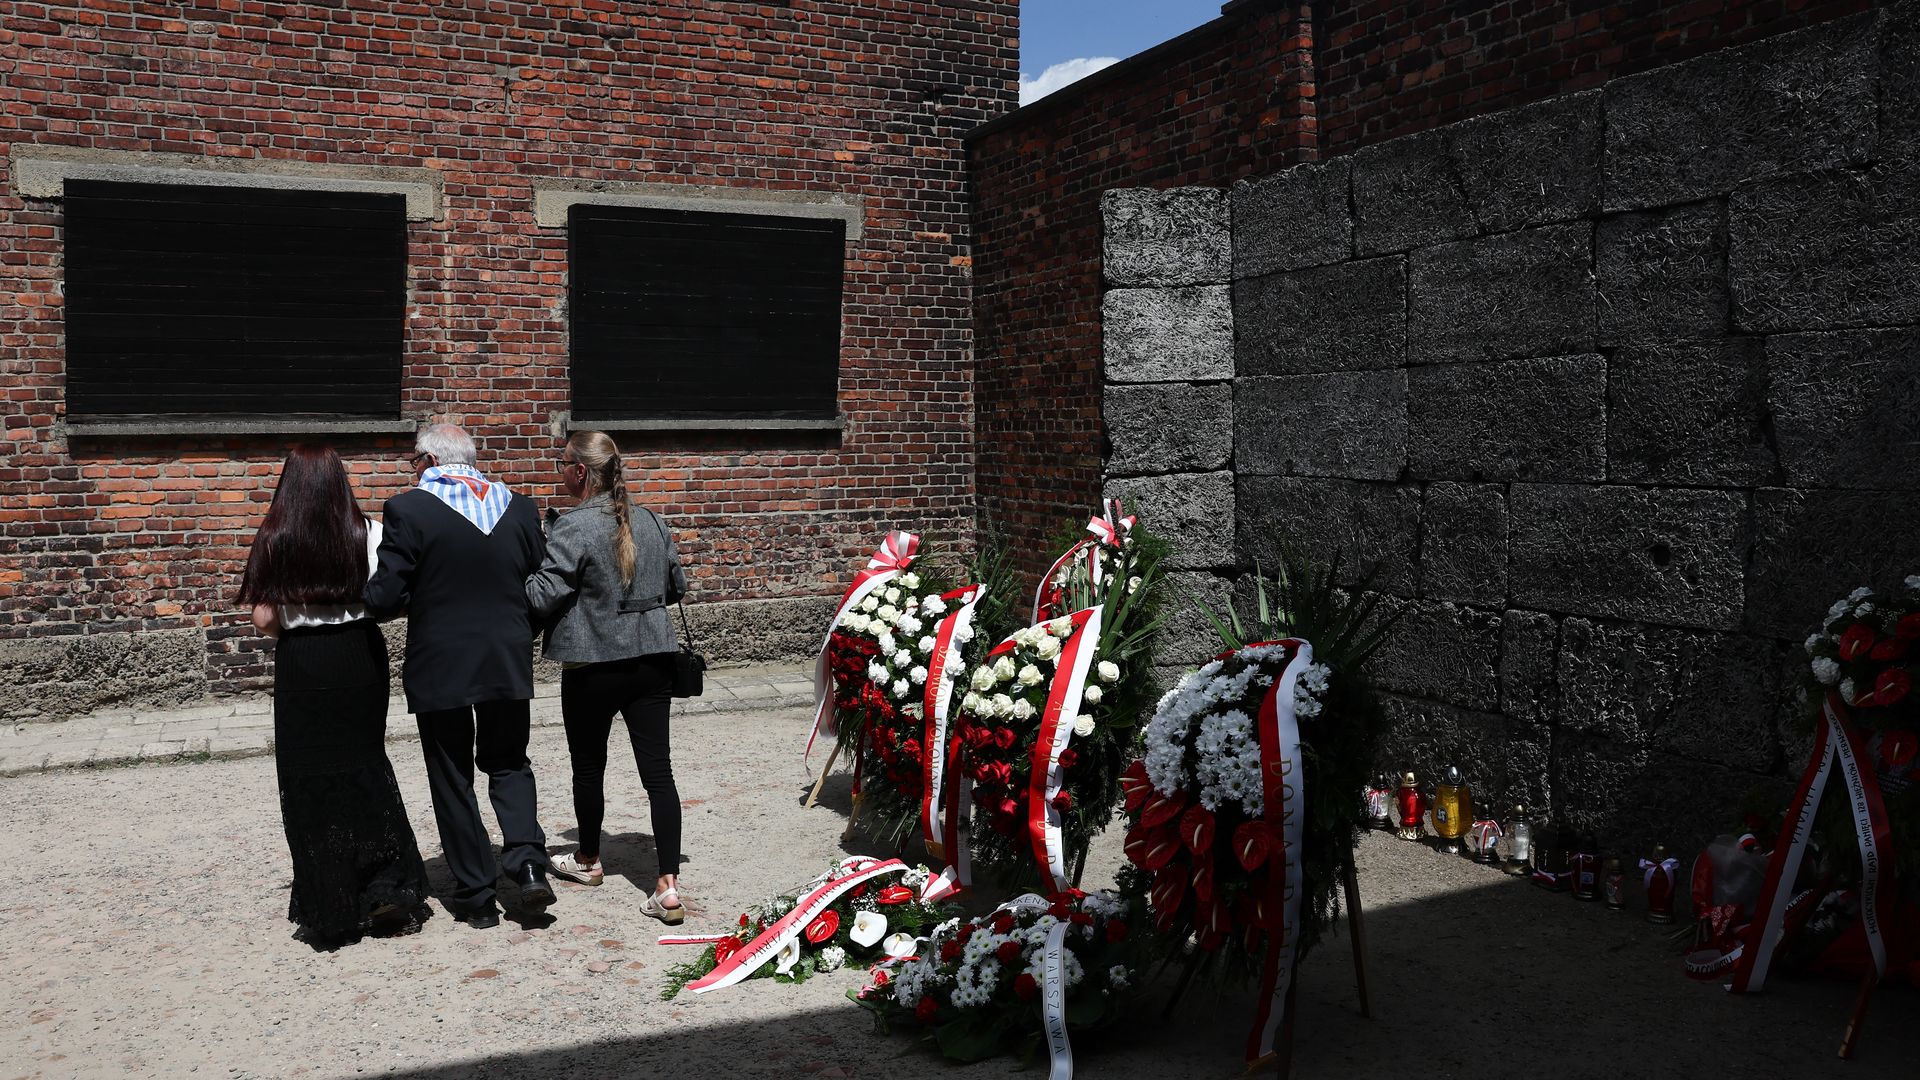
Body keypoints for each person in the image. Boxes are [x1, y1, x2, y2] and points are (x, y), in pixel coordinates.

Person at [238, 446, 431, 950]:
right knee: (365, 766)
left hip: (303, 662)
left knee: (309, 778)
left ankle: (330, 899)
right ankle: (385, 882)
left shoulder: (276, 536)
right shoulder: (368, 532)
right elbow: (391, 593)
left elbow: (263, 620)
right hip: (359, 656)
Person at [364, 421, 553, 929]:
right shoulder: (519, 507)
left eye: (412, 461)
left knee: (452, 775)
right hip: (505, 653)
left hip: (440, 659)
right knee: (510, 761)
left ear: (428, 460)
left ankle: (476, 892)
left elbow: (384, 596)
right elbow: (540, 581)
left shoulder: (408, 509)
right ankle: (530, 863)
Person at [526, 430, 689, 925]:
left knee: (588, 767)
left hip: (592, 666)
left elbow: (540, 596)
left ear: (580, 472)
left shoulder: (571, 528)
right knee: (658, 773)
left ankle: (589, 860)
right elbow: (676, 586)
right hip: (652, 661)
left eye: (562, 464)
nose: (559, 471)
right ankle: (667, 887)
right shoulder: (654, 522)